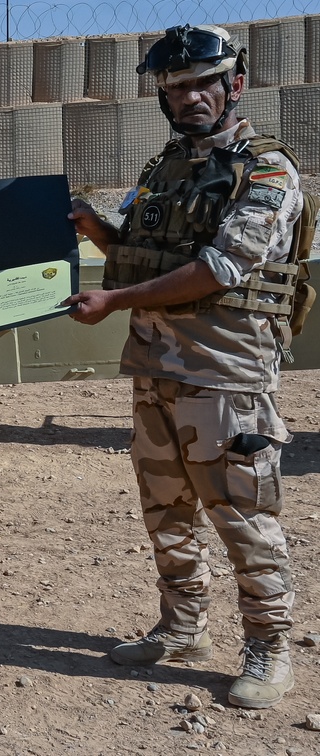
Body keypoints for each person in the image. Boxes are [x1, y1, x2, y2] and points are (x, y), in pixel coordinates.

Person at [65, 25, 302, 709]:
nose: (191, 96)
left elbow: (220, 268)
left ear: (236, 84)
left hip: (225, 376)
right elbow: (139, 248)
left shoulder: (266, 171)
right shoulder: (165, 167)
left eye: (204, 82)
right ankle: (182, 625)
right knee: (165, 512)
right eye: (176, 87)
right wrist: (93, 226)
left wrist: (112, 300)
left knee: (242, 515)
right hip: (158, 368)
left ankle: (269, 645)